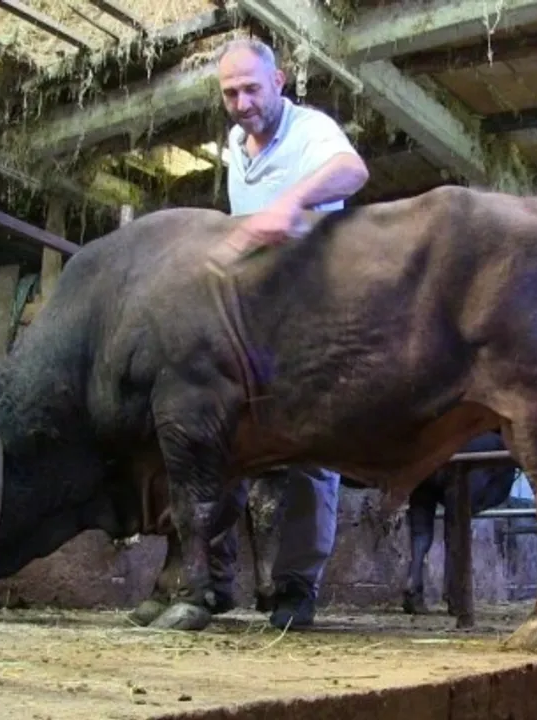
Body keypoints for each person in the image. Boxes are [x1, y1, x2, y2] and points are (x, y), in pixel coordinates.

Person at [213, 36, 369, 629]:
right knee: (221, 438)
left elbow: (353, 171)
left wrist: (290, 202)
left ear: (278, 81)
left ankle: (297, 588)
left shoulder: (310, 130)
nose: (242, 103)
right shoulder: (234, 144)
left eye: (252, 89)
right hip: (251, 316)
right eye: (230, 93)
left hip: (312, 312)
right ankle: (211, 581)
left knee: (311, 451)